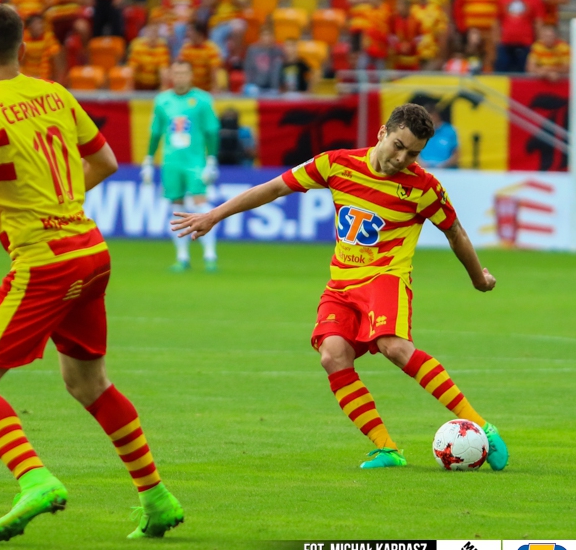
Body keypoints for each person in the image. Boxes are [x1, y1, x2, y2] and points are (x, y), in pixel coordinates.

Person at [0, 4, 183, 543]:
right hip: (90, 253)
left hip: (45, 262)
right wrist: (59, 202)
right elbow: (105, 162)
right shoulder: (55, 94)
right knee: (88, 382)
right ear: (23, 49)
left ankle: (34, 479)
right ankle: (156, 498)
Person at [172, 103, 510, 471]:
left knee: (394, 346)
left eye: (413, 153)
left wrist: (479, 278)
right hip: (341, 284)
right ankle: (387, 450)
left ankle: (483, 428)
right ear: (382, 133)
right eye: (398, 146)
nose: (402, 158)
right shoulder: (337, 164)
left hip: (385, 277)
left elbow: (455, 232)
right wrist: (213, 215)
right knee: (332, 355)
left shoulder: (424, 187)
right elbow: (274, 188)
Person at [141, 60, 220, 272]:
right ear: (171, 76)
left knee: (201, 206)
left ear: (191, 75)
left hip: (195, 162)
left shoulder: (202, 100)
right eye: (176, 73)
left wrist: (212, 160)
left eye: (184, 73)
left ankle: (210, 255)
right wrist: (148, 160)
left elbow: (212, 131)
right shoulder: (162, 101)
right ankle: (182, 257)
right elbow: (155, 132)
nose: (180, 77)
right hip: (171, 163)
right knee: (176, 209)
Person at [494, 0, 544, 73]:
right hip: (505, 43)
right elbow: (497, 21)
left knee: (524, 73)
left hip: (526, 43)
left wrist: (539, 42)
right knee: (501, 72)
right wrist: (496, 40)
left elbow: (538, 22)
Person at [177, 21, 223, 93]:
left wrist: (215, 87)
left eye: (190, 31)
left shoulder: (211, 48)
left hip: (207, 90)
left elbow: (214, 70)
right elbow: (180, 67)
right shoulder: (186, 48)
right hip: (190, 90)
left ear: (199, 33)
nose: (187, 34)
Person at [127, 22, 170, 91]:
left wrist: (163, 88)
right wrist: (130, 89)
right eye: (151, 33)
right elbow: (132, 69)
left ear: (158, 34)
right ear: (146, 33)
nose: (153, 36)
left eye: (155, 33)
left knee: (165, 73)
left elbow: (163, 70)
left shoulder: (162, 48)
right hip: (139, 84)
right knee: (128, 72)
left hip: (155, 85)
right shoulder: (138, 47)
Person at [242, 26, 282, 96]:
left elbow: (278, 71)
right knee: (248, 90)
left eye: (269, 35)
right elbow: (248, 68)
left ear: (273, 37)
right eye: (264, 35)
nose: (267, 38)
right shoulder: (252, 50)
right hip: (255, 86)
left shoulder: (277, 51)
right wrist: (250, 84)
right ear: (259, 36)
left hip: (272, 87)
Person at [418, 103, 458, 168]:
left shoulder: (449, 131)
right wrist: (421, 163)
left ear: (437, 116)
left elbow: (456, 153)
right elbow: (413, 150)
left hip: (445, 169)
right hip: (423, 167)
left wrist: (444, 165)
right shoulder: (420, 131)